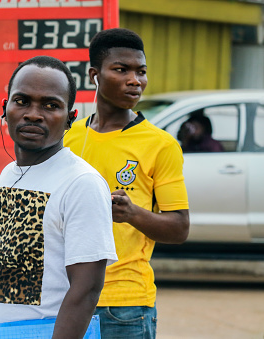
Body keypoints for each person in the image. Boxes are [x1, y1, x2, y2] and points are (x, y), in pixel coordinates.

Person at [64, 28, 190, 338]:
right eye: (121, 70)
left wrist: (131, 213)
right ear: (94, 74)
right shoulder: (69, 137)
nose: (135, 80)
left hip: (124, 306)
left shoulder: (161, 145)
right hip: (66, 299)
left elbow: (179, 228)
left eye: (141, 71)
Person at [0, 56, 117, 338]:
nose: (33, 113)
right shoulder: (8, 173)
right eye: (21, 101)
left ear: (71, 118)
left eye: (50, 105)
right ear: (4, 108)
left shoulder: (82, 183)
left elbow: (87, 289)